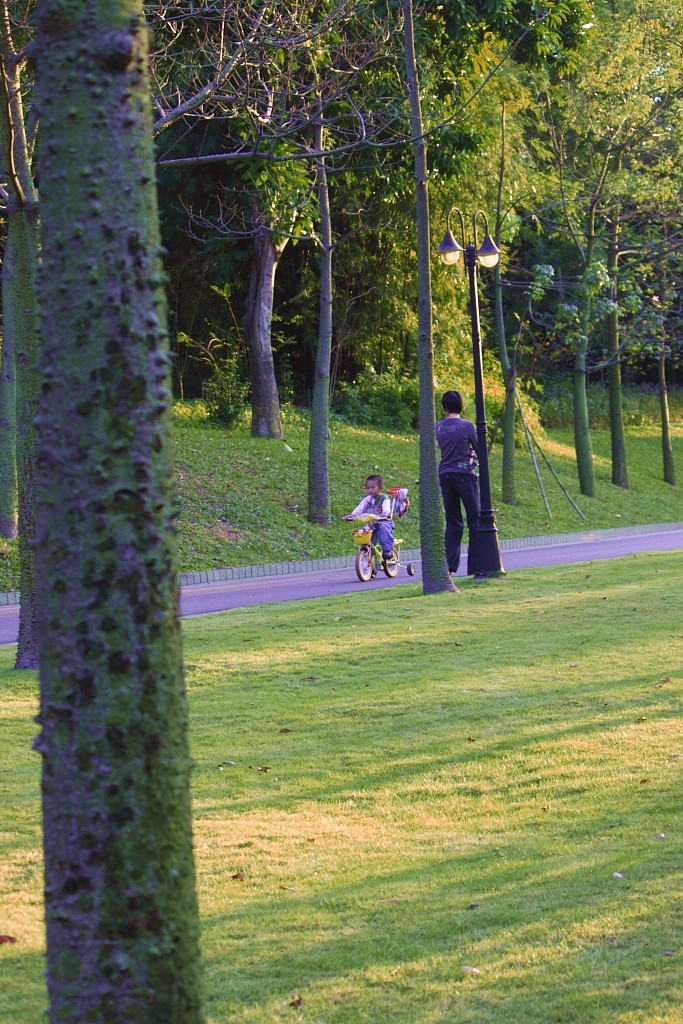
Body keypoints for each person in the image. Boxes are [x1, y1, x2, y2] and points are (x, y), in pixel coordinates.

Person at [436, 390, 480, 576]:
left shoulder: (438, 427)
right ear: (460, 405)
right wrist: (473, 453)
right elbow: (479, 448)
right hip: (464, 474)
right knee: (475, 519)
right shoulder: (467, 426)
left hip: (445, 475)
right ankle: (476, 566)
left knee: (453, 521)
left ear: (444, 407)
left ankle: (449, 567)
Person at [343, 474, 395, 560]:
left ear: (381, 488)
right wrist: (352, 516)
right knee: (366, 537)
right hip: (372, 524)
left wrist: (385, 513)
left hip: (384, 522)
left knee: (384, 529)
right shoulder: (367, 499)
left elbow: (386, 509)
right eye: (368, 488)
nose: (370, 490)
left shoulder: (384, 498)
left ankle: (387, 551)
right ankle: (370, 558)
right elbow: (359, 509)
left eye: (373, 487)